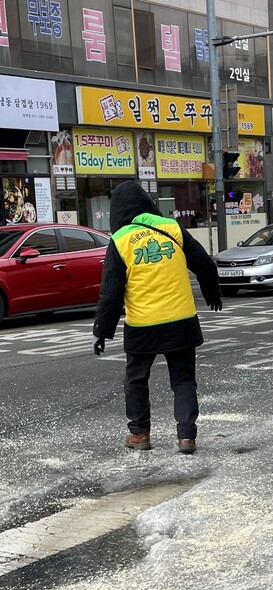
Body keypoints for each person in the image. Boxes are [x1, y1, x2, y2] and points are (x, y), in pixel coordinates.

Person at [92, 180, 222, 454]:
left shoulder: (121, 240)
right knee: (184, 380)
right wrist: (213, 294)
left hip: (143, 324)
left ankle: (139, 434)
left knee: (136, 379)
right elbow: (204, 264)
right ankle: (187, 437)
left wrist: (102, 332)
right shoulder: (172, 228)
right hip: (182, 321)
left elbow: (111, 292)